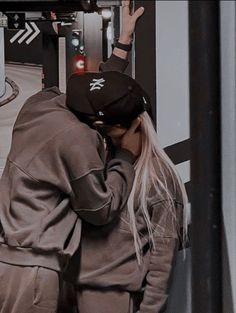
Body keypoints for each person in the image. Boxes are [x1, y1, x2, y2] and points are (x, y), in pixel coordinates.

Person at [0, 2, 144, 313]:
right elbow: (99, 207)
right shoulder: (77, 141)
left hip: (12, 259)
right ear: (101, 125)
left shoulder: (42, 102)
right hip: (34, 272)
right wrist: (126, 156)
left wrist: (122, 45)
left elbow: (96, 91)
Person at [63, 75, 188, 312]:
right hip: (74, 291)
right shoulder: (105, 166)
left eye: (112, 132)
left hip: (115, 298)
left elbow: (162, 261)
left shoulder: (159, 178)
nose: (107, 139)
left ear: (137, 125)